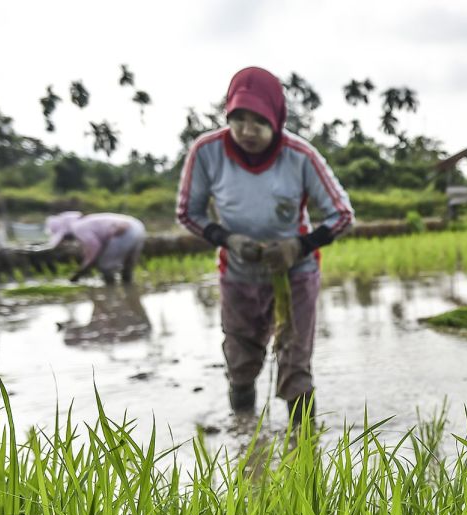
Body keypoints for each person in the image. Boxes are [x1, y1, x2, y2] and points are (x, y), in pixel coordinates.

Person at [176, 66, 353, 422]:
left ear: (276, 119)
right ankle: (245, 435)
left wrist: (297, 247)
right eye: (238, 119)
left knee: (295, 359)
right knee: (240, 358)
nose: (247, 131)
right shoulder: (207, 152)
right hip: (238, 272)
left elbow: (342, 214)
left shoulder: (300, 156)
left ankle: (303, 443)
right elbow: (187, 212)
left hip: (295, 273)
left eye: (259, 121)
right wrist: (228, 239)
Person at [45, 211, 147, 284]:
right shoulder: (88, 221)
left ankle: (110, 293)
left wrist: (80, 272)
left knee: (105, 267)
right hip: (138, 227)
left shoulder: (78, 227)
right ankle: (129, 292)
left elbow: (94, 249)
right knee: (127, 267)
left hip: (125, 231)